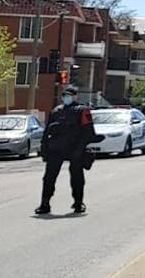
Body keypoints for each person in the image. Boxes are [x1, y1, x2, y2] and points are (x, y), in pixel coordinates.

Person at [37, 84, 100, 215]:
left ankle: (78, 203)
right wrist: (44, 148)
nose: (67, 98)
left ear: (75, 96)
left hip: (75, 148)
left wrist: (80, 148)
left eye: (70, 95)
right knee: (49, 177)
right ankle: (45, 203)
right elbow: (47, 130)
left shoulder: (82, 110)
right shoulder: (56, 111)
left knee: (77, 176)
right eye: (65, 95)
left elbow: (88, 132)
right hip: (56, 148)